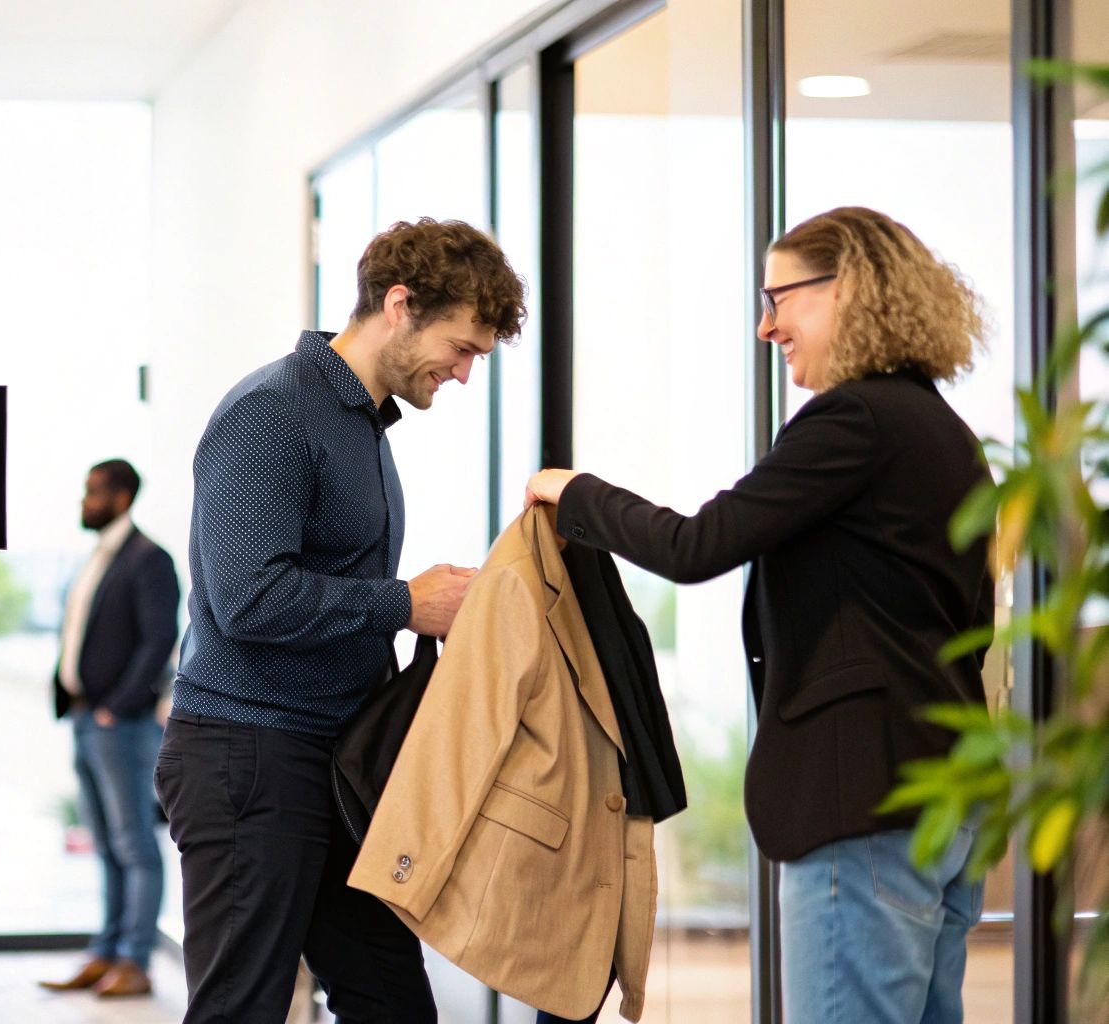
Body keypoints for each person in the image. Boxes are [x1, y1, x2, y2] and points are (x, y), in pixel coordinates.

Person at [525, 206, 993, 1024]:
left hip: (863, 804)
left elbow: (699, 544)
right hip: (944, 797)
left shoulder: (853, 420)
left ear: (848, 289)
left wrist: (576, 495)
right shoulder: (945, 433)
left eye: (781, 298)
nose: (766, 325)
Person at [159, 217, 527, 1023]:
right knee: (241, 1011)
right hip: (249, 759)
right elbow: (249, 598)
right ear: (399, 305)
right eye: (461, 348)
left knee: (393, 1006)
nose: (465, 373)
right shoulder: (272, 411)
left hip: (333, 761)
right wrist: (407, 603)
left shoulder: (361, 422)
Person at [39, 459, 180, 999]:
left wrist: (117, 707)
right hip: (83, 716)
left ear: (121, 497)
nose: (85, 501)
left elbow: (159, 639)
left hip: (119, 723)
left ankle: (135, 961)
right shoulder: (96, 557)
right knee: (105, 843)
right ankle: (106, 953)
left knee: (134, 843)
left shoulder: (149, 559)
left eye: (93, 492)